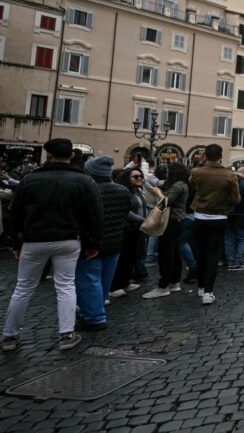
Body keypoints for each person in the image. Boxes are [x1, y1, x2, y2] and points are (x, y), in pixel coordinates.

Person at [2, 138, 103, 351]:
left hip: (34, 239)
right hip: (68, 239)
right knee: (66, 286)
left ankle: (10, 335)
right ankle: (66, 334)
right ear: (71, 155)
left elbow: (16, 214)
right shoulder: (85, 181)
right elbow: (94, 215)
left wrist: (16, 243)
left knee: (23, 287)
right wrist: (92, 243)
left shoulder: (30, 180)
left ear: (48, 154)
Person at [74, 156, 129, 329]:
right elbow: (127, 211)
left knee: (89, 278)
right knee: (105, 279)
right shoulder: (122, 190)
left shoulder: (87, 190)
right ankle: (96, 307)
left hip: (93, 243)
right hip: (115, 241)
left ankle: (94, 316)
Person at [188, 144, 240, 306]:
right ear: (220, 156)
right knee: (213, 254)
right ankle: (208, 292)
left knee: (201, 251)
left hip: (199, 216)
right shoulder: (229, 175)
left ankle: (201, 287)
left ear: (205, 156)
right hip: (219, 217)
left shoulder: (196, 172)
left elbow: (192, 187)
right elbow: (236, 199)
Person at [142, 163, 190, 299]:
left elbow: (165, 202)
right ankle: (174, 282)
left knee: (166, 253)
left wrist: (157, 193)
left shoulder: (178, 185)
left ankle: (163, 286)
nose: (167, 174)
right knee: (174, 252)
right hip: (178, 220)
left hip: (172, 221)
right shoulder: (182, 184)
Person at [110, 166, 150, 297]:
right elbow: (126, 212)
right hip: (126, 228)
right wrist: (143, 220)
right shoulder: (125, 191)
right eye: (136, 177)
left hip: (137, 228)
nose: (139, 179)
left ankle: (125, 281)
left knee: (132, 255)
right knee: (123, 257)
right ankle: (115, 285)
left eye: (141, 176)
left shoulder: (137, 191)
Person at [225, 167, 244, 270]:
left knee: (229, 239)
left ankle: (230, 261)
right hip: (242, 215)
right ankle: (238, 261)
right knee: (242, 239)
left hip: (228, 215)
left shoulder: (228, 181)